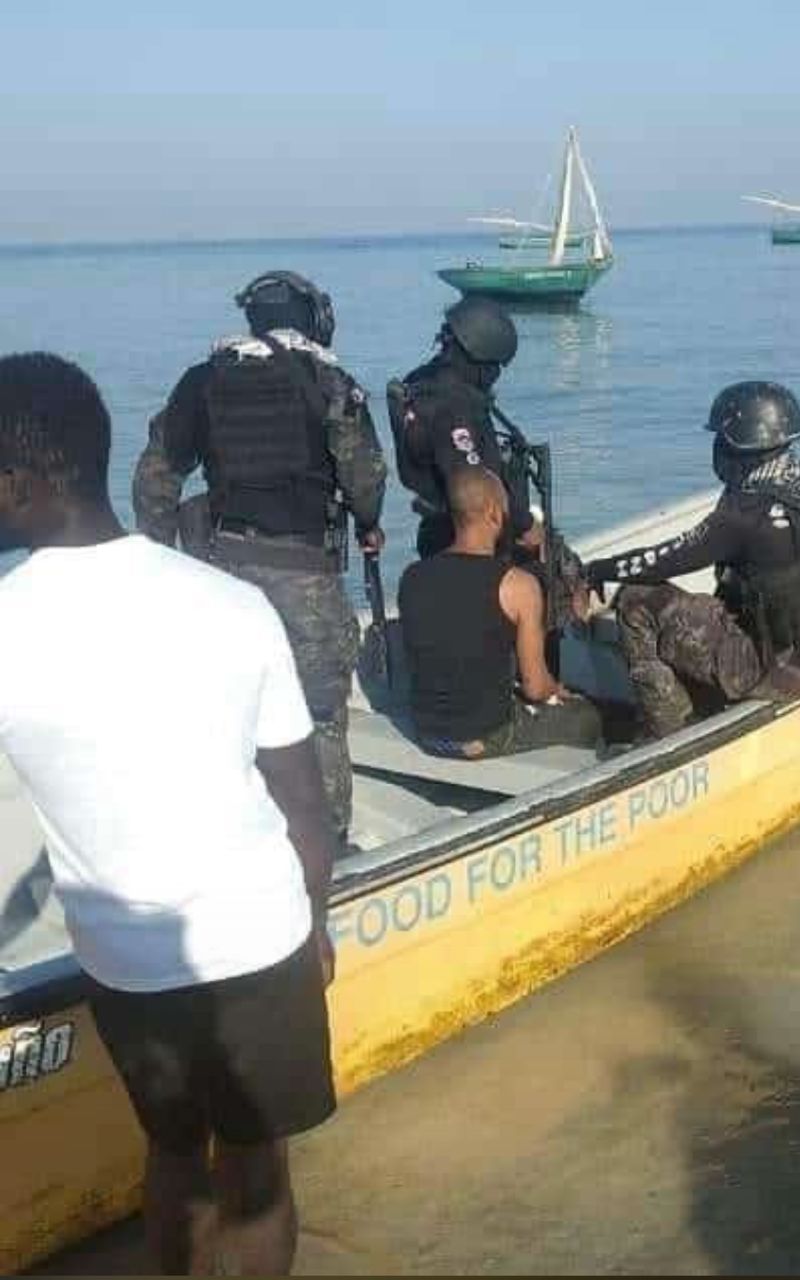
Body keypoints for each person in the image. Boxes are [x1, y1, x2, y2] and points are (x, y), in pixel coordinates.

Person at [0, 353, 337, 1274]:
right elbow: (304, 806)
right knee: (257, 1170)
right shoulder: (231, 603)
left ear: (19, 486)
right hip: (258, 937)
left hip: (121, 959)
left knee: (174, 1153)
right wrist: (313, 922)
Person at [132, 270, 387, 843]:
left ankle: (229, 834)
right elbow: (365, 479)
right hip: (304, 576)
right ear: (312, 317)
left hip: (219, 574)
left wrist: (160, 561)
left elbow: (155, 478)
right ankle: (326, 845)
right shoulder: (328, 382)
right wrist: (369, 523)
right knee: (319, 713)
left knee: (227, 709)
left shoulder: (203, 381)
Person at [583, 381, 800, 740]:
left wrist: (599, 570)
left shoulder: (743, 514)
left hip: (770, 670)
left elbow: (667, 558)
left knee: (636, 599)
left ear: (735, 445)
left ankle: (667, 732)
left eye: (720, 439)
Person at [398, 466, 601, 758]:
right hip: (483, 738)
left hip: (427, 733)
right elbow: (535, 688)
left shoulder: (412, 577)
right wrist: (556, 689)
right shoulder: (517, 585)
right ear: (494, 512)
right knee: (588, 718)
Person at [387, 295, 542, 559]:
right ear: (480, 357)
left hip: (439, 529)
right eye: (494, 366)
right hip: (468, 538)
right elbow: (471, 483)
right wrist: (525, 525)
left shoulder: (421, 382)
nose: (495, 375)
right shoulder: (451, 404)